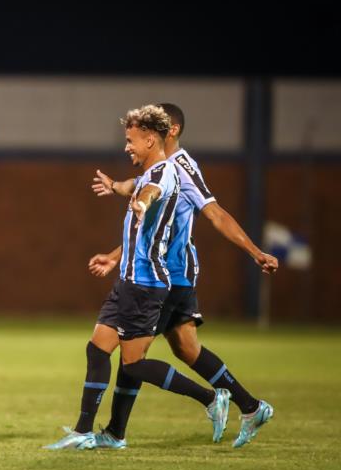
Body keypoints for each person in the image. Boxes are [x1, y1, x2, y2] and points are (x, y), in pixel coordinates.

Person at [88, 103, 278, 449]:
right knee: (186, 349)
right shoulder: (158, 167)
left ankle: (116, 432)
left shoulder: (180, 167)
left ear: (167, 131)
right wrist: (118, 253)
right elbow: (146, 208)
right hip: (170, 272)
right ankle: (250, 406)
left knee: (131, 353)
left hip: (170, 275)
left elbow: (216, 215)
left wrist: (255, 252)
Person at [46, 105, 230, 451]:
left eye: (131, 141)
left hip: (146, 284)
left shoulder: (163, 174)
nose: (127, 147)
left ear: (150, 139)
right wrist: (116, 249)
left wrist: (142, 203)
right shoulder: (148, 173)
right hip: (129, 280)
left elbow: (150, 193)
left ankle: (209, 398)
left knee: (134, 364)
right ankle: (85, 431)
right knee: (97, 349)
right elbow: (138, 187)